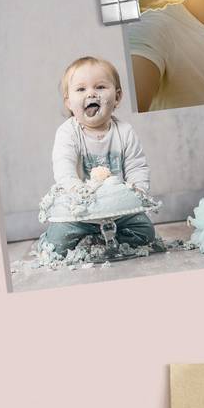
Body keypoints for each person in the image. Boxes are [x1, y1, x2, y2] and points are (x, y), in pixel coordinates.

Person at [36, 55, 157, 259]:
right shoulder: (68, 133)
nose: (91, 93)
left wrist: (138, 189)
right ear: (68, 102)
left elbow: (137, 166)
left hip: (118, 210)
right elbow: (63, 167)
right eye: (81, 89)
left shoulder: (124, 132)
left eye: (100, 87)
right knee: (58, 242)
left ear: (117, 97)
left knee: (145, 232)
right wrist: (77, 190)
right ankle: (64, 239)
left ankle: (104, 240)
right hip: (80, 212)